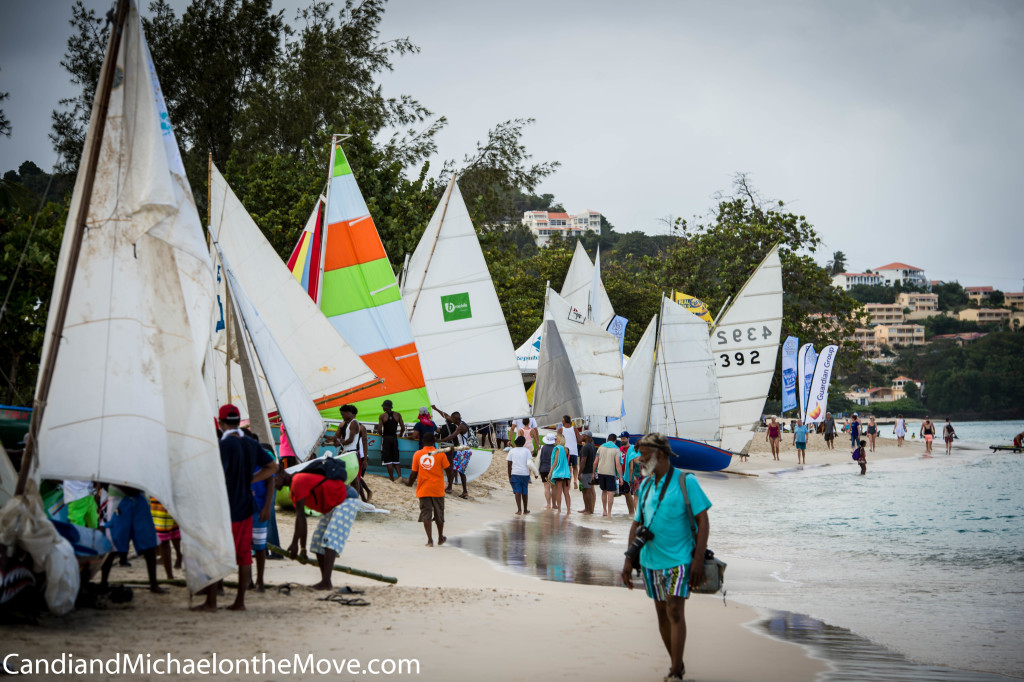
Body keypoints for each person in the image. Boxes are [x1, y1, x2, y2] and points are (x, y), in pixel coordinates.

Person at [621, 433, 711, 682]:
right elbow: (636, 523)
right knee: (661, 614)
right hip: (650, 560)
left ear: (660, 455)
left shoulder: (686, 481)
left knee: (674, 609)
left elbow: (703, 521)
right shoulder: (647, 485)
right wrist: (629, 560)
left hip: (680, 559)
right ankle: (678, 664)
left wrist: (698, 560)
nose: (639, 459)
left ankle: (674, 671)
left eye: (644, 454)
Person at [192, 405, 277, 612]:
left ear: (221, 424)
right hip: (246, 506)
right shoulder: (249, 443)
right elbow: (273, 467)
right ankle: (240, 602)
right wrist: (252, 478)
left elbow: (215, 475)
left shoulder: (224, 445)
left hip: (224, 507)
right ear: (239, 422)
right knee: (244, 555)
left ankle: (211, 601)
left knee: (215, 553)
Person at [280, 469, 358, 590]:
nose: (272, 484)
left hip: (347, 498)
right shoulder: (293, 490)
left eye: (273, 479)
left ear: (282, 474)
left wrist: (296, 544)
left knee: (330, 540)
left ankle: (326, 582)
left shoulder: (297, 481)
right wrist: (302, 547)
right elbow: (301, 519)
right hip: (333, 503)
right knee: (317, 542)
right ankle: (325, 581)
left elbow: (301, 518)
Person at [100, 485, 167, 595]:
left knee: (148, 541)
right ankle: (103, 583)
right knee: (112, 541)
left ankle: (154, 584)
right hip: (119, 499)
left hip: (138, 498)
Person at [406, 432, 449, 546]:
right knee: (439, 514)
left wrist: (409, 483)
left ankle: (430, 540)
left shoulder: (418, 454)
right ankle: (440, 537)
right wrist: (450, 484)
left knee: (426, 514)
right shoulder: (440, 454)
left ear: (423, 442)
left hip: (424, 489)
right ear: (434, 441)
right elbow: (449, 470)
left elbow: (413, 474)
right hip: (438, 489)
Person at [251, 445, 277, 593]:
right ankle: (249, 581)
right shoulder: (245, 457)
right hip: (248, 506)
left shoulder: (263, 456)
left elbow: (271, 480)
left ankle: (259, 581)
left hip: (260, 505)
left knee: (259, 545)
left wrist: (267, 506)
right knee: (249, 545)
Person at [335, 405, 372, 503]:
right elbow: (338, 437)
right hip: (348, 451)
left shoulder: (361, 427)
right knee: (355, 477)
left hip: (358, 453)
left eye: (343, 414)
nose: (342, 416)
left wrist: (364, 459)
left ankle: (364, 496)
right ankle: (363, 498)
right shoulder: (344, 424)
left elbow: (364, 443)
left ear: (352, 414)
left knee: (356, 478)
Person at [433, 404, 471, 499]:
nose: (451, 420)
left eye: (452, 419)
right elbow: (446, 415)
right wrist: (436, 408)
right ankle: (463, 491)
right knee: (458, 471)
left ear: (456, 419)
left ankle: (451, 488)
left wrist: (440, 441)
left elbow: (452, 436)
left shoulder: (461, 427)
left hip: (464, 450)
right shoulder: (459, 422)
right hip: (462, 450)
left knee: (456, 470)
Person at [149, 498, 182, 580]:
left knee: (164, 539)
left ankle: (170, 576)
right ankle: (178, 556)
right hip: (162, 501)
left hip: (163, 501)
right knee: (173, 532)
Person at [593, 433, 623, 517]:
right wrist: (620, 477)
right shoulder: (616, 449)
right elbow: (618, 464)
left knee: (604, 491)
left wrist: (593, 473)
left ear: (607, 439)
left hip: (601, 472)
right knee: (610, 493)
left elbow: (595, 462)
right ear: (615, 440)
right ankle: (609, 513)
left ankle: (604, 510)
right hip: (610, 473)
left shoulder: (600, 447)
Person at [506, 436, 538, 515]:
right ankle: (525, 510)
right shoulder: (527, 451)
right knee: (525, 491)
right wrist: (535, 473)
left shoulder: (512, 451)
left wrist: (509, 476)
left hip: (515, 473)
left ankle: (519, 510)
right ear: (524, 443)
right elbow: (530, 463)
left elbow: (509, 464)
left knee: (517, 491)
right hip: (525, 474)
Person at [375, 399, 405, 482]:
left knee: (388, 460)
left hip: (386, 438)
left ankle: (391, 478)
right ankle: (399, 476)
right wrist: (400, 435)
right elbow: (403, 428)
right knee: (396, 459)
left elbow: (380, 429)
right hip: (394, 438)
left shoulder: (382, 416)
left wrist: (381, 435)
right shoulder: (398, 415)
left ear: (385, 407)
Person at [549, 433, 572, 513]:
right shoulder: (567, 449)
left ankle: (559, 509)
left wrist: (550, 472)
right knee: (566, 492)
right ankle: (569, 510)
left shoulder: (558, 448)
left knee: (559, 491)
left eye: (556, 439)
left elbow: (555, 461)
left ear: (559, 440)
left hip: (558, 472)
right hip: (566, 473)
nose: (554, 440)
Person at [557, 415, 581, 489]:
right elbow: (579, 440)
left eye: (562, 420)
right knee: (575, 467)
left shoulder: (560, 430)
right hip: (574, 450)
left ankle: (569, 482)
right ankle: (575, 481)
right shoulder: (574, 429)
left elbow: (557, 440)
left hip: (565, 451)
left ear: (564, 421)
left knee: (567, 467)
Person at [621, 434, 641, 516]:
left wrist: (629, 480)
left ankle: (637, 515)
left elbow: (631, 469)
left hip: (636, 479)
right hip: (645, 478)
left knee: (636, 497)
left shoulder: (632, 455)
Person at [578, 430, 597, 515]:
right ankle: (588, 508)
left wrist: (579, 473)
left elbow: (583, 461)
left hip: (586, 471)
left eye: (583, 435)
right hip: (590, 470)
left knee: (586, 491)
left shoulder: (586, 447)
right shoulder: (592, 446)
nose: (582, 436)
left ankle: (588, 509)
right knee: (588, 490)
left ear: (586, 436)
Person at [537, 433, 556, 509]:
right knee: (553, 487)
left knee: (546, 487)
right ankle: (554, 504)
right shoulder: (555, 448)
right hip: (552, 470)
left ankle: (548, 504)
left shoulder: (543, 448)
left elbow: (539, 459)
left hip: (543, 470)